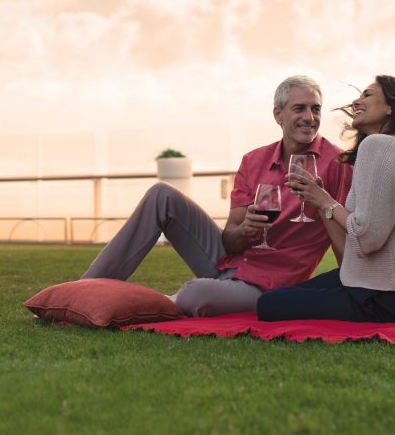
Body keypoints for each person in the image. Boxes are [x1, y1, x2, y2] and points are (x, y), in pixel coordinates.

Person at [81, 75, 353, 317]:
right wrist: (245, 230)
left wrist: (323, 204)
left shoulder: (337, 163)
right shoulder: (254, 160)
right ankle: (84, 292)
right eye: (299, 108)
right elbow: (230, 239)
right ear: (278, 115)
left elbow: (345, 239)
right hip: (230, 262)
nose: (310, 116)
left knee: (194, 295)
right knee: (160, 194)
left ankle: (146, 304)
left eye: (315, 109)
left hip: (269, 284)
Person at [256, 75, 395, 324]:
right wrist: (322, 201)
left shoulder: (377, 146)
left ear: (392, 107)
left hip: (386, 300)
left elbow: (367, 238)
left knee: (268, 305)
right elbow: (357, 245)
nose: (356, 101)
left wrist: (326, 202)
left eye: (368, 95)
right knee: (284, 296)